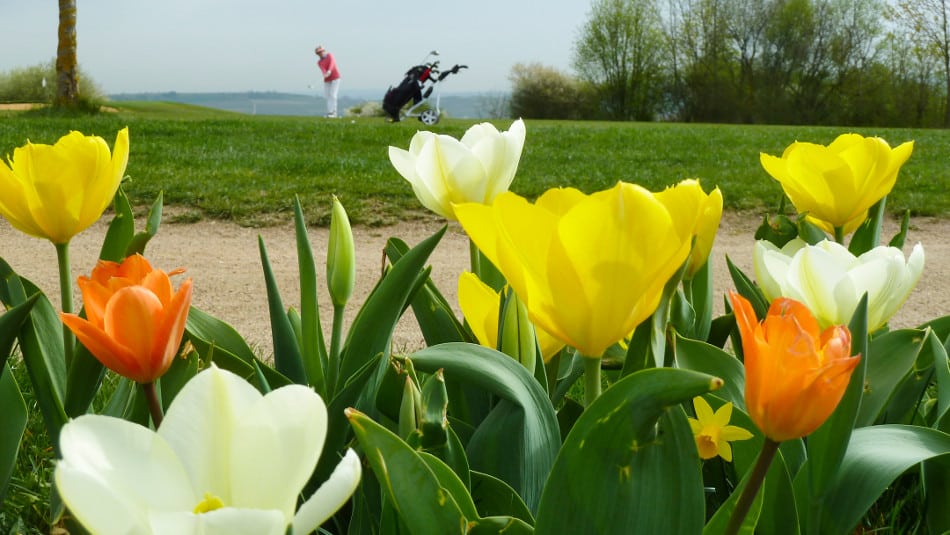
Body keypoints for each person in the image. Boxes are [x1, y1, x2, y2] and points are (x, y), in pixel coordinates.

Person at [315, 45, 341, 118]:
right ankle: (330, 112)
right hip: (327, 79)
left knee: (333, 95)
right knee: (327, 96)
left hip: (335, 77)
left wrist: (329, 70)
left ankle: (334, 113)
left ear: (324, 51)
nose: (321, 53)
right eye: (319, 52)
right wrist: (324, 73)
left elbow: (332, 63)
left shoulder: (330, 55)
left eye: (322, 51)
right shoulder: (319, 62)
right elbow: (322, 69)